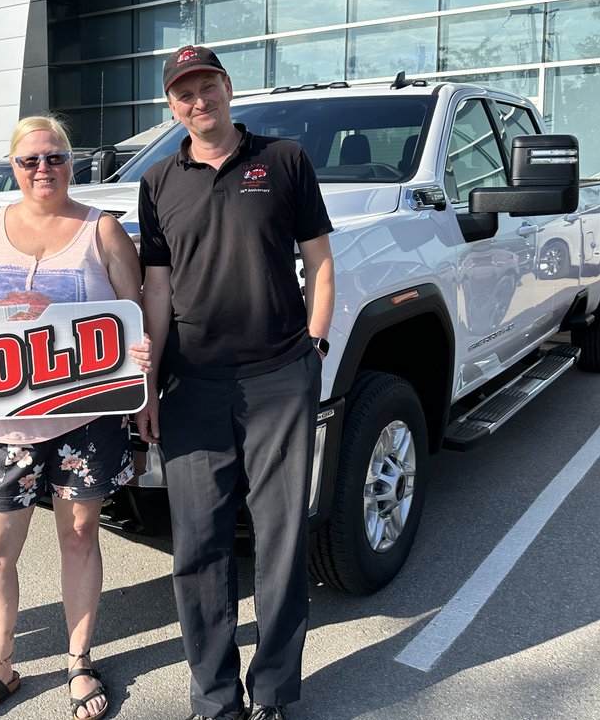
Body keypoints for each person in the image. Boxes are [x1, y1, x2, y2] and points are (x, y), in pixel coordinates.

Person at [0, 115, 149, 720]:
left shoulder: (103, 230)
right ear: (12, 165)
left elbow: (135, 318)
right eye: (30, 159)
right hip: (3, 422)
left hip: (85, 420)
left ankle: (79, 660)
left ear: (73, 162)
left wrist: (145, 368)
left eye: (56, 157)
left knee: (79, 536)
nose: (44, 169)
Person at [134, 45, 335, 720]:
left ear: (227, 87)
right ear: (172, 104)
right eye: (184, 93)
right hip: (191, 385)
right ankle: (214, 698)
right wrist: (150, 382)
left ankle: (274, 692)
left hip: (280, 378)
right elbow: (155, 287)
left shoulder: (284, 160)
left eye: (208, 86)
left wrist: (315, 345)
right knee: (198, 546)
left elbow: (320, 262)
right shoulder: (159, 180)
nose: (199, 101)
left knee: (280, 541)